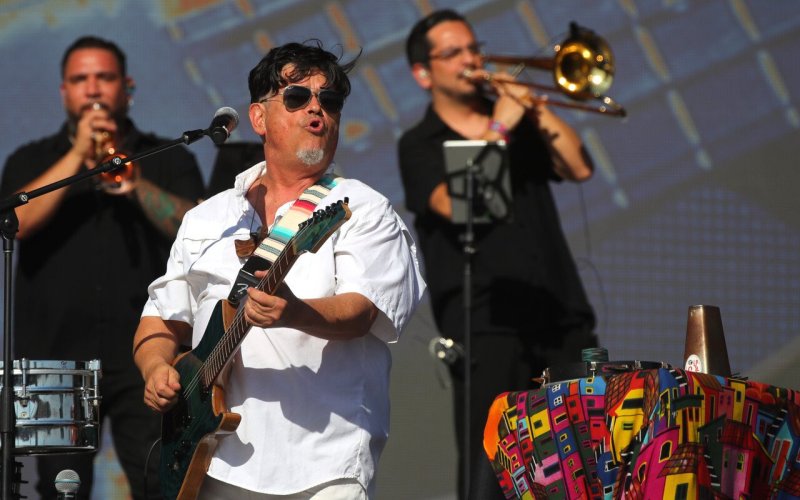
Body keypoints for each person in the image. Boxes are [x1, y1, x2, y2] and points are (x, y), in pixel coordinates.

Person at [132, 40, 425, 499]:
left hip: (327, 462)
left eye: (330, 101)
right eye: (297, 97)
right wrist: (155, 369)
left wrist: (294, 312)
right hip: (217, 460)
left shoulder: (362, 207)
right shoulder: (208, 218)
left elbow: (364, 311)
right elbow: (159, 321)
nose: (317, 109)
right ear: (258, 117)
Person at [398, 10, 598, 499]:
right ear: (424, 73)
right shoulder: (419, 144)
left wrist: (536, 109)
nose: (471, 60)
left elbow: (579, 167)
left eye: (474, 48)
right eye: (454, 53)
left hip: (558, 311)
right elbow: (462, 204)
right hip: (487, 324)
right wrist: (501, 125)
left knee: (584, 464)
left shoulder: (516, 122)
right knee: (492, 470)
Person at [0, 36, 204, 499]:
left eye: (104, 77)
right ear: (64, 92)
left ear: (126, 87)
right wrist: (79, 156)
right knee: (56, 492)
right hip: (53, 361)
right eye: (80, 79)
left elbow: (197, 230)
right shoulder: (31, 160)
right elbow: (17, 223)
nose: (92, 89)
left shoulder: (166, 156)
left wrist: (135, 182)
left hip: (148, 355)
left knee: (160, 484)